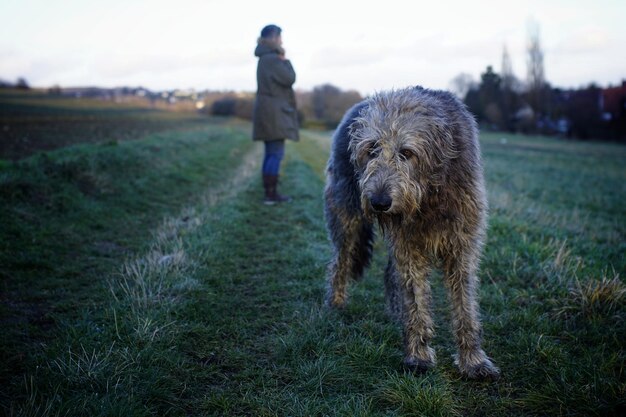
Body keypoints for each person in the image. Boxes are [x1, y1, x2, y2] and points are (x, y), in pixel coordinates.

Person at [252, 24, 299, 204]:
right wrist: (285, 59)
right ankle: (270, 195)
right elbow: (290, 78)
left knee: (271, 153)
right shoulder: (272, 59)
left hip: (268, 111)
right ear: (272, 38)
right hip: (274, 113)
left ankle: (270, 192)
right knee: (275, 154)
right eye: (279, 37)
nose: (281, 40)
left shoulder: (264, 58)